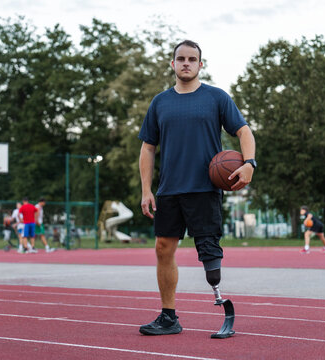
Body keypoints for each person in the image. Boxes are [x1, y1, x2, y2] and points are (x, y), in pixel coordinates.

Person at [138, 40, 256, 335]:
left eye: (192, 59)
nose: (186, 63)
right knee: (163, 248)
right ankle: (168, 317)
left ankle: (220, 301)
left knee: (208, 251)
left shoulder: (216, 97)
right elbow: (148, 147)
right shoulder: (160, 102)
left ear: (200, 64)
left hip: (204, 187)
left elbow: (243, 130)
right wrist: (146, 189)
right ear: (173, 63)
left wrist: (250, 163)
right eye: (181, 58)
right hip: (169, 189)